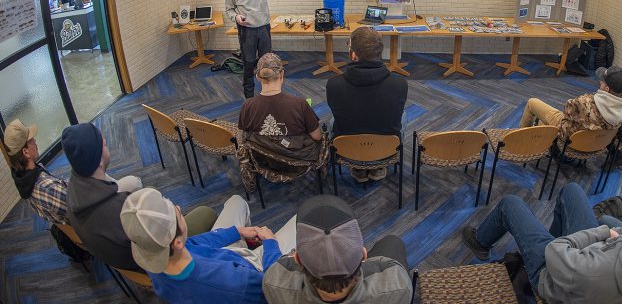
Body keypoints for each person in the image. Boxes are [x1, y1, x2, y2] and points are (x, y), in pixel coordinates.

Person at [462, 182, 622, 304]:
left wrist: (602, 231)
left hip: (553, 277)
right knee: (571, 191)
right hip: (586, 259)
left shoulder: (597, 272)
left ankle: (480, 243)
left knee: (510, 204)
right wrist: (615, 232)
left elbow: (556, 250)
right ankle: (533, 252)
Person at [63, 123, 216, 271]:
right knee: (206, 212)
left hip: (121, 259)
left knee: (149, 191)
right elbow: (161, 242)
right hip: (153, 263)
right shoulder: (123, 209)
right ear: (98, 160)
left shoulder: (72, 191)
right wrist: (175, 217)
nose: (104, 141)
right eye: (102, 143)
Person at [121, 189, 294, 304]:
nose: (179, 207)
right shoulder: (232, 284)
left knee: (236, 201)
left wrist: (238, 232)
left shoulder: (153, 254)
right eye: (179, 214)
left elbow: (194, 243)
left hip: (221, 260)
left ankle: (251, 245)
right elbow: (272, 286)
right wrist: (270, 244)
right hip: (252, 274)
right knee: (298, 222)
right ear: (177, 242)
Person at [262, 195, 412, 304]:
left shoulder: (273, 282)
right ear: (364, 255)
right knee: (392, 242)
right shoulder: (398, 286)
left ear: (298, 259)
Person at [326, 27, 408, 182]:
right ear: (379, 54)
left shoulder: (333, 84)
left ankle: (358, 166)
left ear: (354, 55)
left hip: (348, 150)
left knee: (332, 120)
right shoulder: (400, 84)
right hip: (386, 150)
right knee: (403, 114)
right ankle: (377, 165)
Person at [224, 0, 308, 98]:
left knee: (267, 62)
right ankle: (249, 98)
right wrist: (236, 17)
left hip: (263, 29)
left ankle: (269, 93)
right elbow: (229, 9)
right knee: (249, 63)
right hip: (246, 31)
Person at [238, 52, 322, 187]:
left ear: (257, 77)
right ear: (282, 75)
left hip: (264, 163)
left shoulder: (247, 106)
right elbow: (317, 137)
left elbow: (243, 137)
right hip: (297, 164)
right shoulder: (300, 104)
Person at [519, 65, 622, 142]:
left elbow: (567, 110)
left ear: (607, 89)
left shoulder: (585, 102)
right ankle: (538, 131)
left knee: (532, 102)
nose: (600, 82)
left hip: (567, 135)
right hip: (593, 142)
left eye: (602, 82)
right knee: (542, 122)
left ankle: (519, 138)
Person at [4, 119, 67, 225]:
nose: (35, 141)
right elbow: (79, 208)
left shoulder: (22, 180)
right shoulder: (46, 187)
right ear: (26, 152)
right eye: (31, 140)